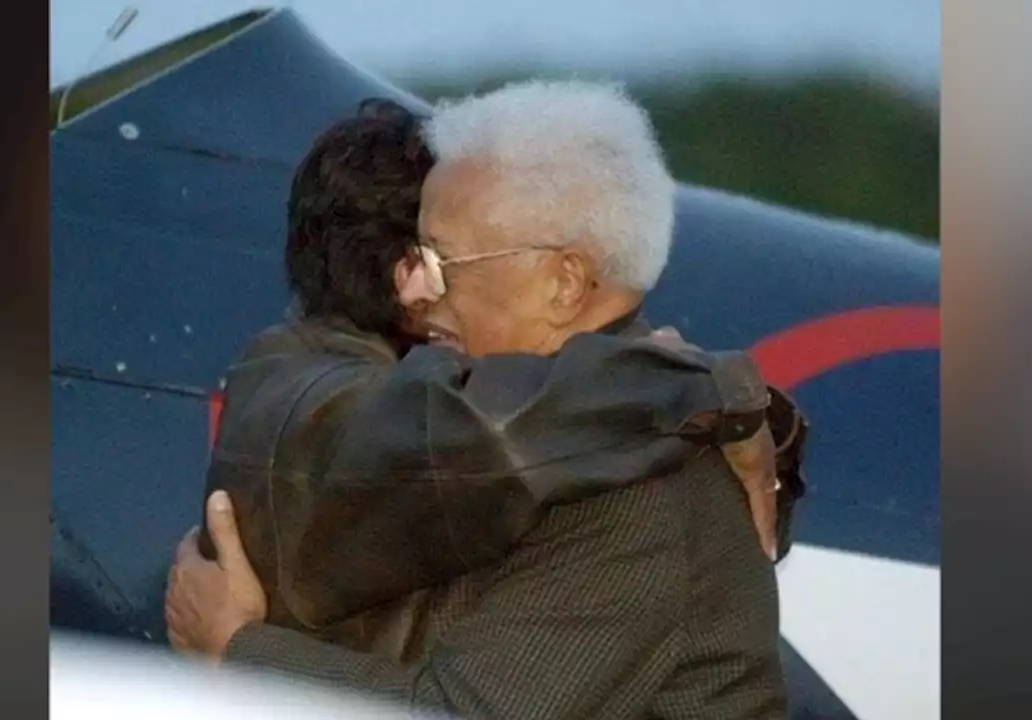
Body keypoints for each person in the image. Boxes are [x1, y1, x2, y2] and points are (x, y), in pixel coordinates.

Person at [169, 83, 808, 719]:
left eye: (444, 260)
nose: (418, 291)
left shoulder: (640, 482)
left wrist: (237, 651)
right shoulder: (547, 426)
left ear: (564, 283)